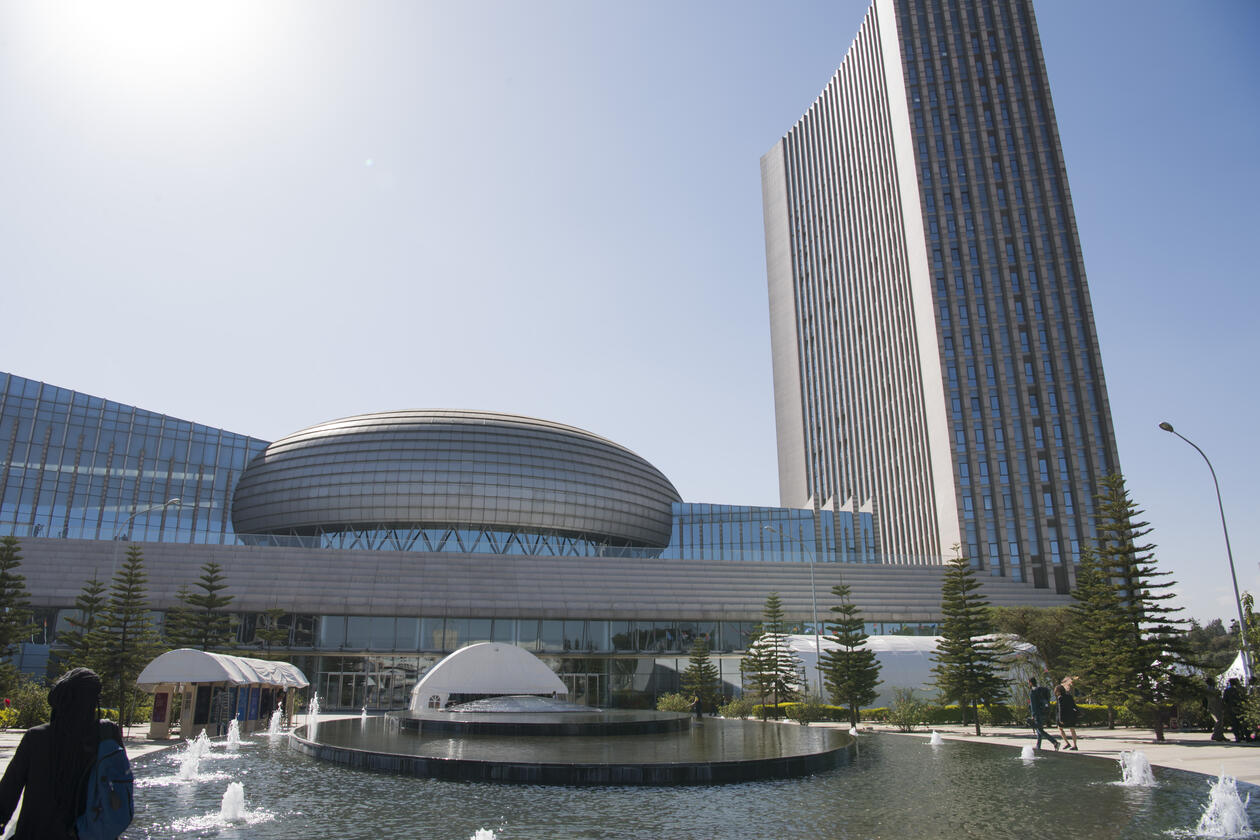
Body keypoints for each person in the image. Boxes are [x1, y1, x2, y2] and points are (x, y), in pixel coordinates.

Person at [0, 668, 124, 839]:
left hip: (35, 833)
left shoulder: (36, 737)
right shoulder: (106, 735)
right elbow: (120, 789)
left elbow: (8, 791)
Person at [1027, 676, 1059, 751]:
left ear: (1031, 683)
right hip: (1042, 713)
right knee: (1039, 730)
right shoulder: (1040, 690)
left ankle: (1055, 742)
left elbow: (1033, 706)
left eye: (1028, 683)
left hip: (1037, 714)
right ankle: (1038, 746)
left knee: (1040, 730)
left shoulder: (1033, 692)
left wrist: (1033, 715)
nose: (1028, 684)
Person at [1053, 679, 1080, 750]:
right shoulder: (1069, 696)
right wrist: (1077, 712)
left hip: (1064, 717)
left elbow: (1060, 709)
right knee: (1072, 729)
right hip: (1071, 715)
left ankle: (1067, 743)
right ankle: (1075, 745)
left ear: (1058, 691)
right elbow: (1074, 705)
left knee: (1060, 729)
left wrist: (1061, 719)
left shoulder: (1060, 698)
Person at [1222, 677, 1247, 743]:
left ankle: (1237, 736)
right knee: (1242, 722)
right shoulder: (1241, 689)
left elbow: (1225, 700)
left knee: (1234, 723)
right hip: (1241, 707)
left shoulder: (1227, 690)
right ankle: (1244, 735)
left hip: (1232, 708)